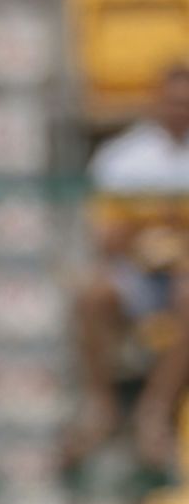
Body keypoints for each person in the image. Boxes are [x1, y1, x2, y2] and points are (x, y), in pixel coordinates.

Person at [64, 62, 189, 475]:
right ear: (157, 101)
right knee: (92, 295)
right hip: (136, 272)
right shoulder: (123, 158)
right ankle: (101, 406)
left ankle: (154, 412)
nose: (181, 110)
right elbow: (105, 238)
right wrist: (152, 227)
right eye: (174, 101)